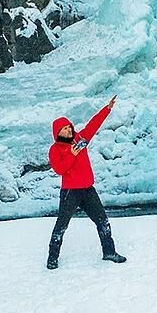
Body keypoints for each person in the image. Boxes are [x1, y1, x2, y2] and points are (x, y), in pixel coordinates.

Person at [46, 96, 126, 270]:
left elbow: (93, 125)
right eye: (64, 129)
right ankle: (52, 258)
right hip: (70, 192)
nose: (68, 131)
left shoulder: (80, 140)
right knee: (61, 226)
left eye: (69, 127)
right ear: (57, 133)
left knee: (102, 221)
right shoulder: (55, 150)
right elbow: (60, 169)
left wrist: (107, 109)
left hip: (88, 190)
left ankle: (109, 252)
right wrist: (71, 154)